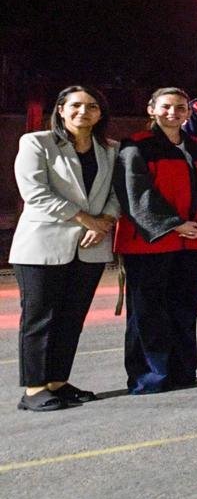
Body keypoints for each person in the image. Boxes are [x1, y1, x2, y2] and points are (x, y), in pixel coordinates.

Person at [11, 85, 119, 411]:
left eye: (91, 107)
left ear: (100, 113)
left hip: (90, 247)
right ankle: (33, 390)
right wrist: (87, 219)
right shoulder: (36, 143)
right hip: (42, 246)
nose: (83, 112)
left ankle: (57, 382)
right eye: (75, 105)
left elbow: (117, 194)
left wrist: (106, 221)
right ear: (60, 109)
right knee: (40, 318)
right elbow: (35, 193)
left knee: (72, 318)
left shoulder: (110, 149)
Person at [113, 88, 197, 393]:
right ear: (152, 109)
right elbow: (137, 194)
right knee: (148, 314)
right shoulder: (137, 146)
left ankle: (181, 372)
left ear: (189, 112)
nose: (174, 113)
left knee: (185, 310)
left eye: (181, 107)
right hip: (150, 244)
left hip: (190, 243)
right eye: (167, 107)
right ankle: (149, 378)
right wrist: (175, 225)